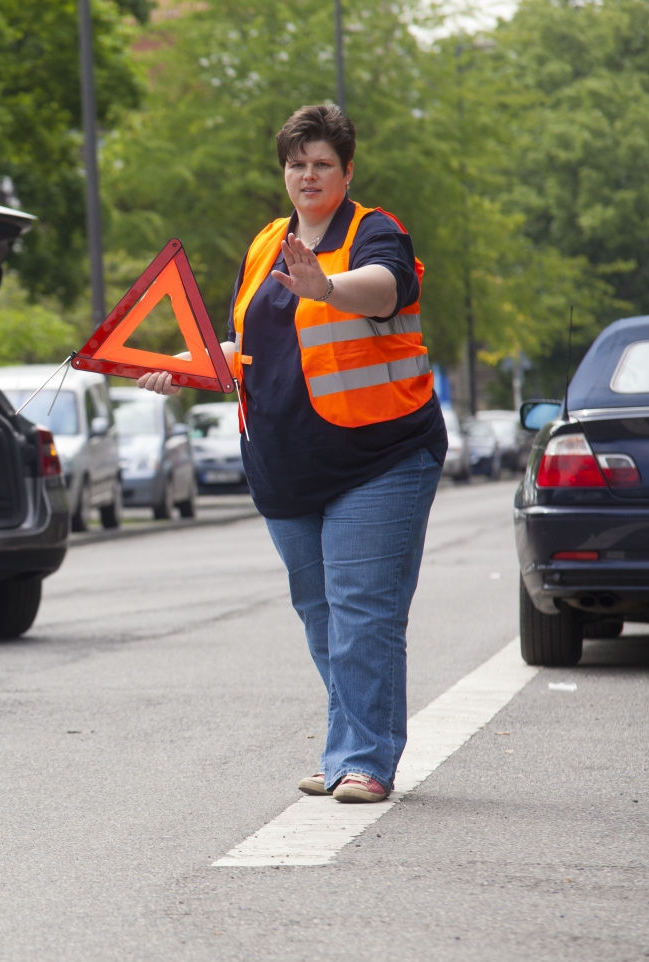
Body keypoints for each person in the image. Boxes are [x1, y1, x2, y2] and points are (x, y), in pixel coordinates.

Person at [138, 103, 446, 804]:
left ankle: (365, 760)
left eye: (322, 163)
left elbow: (390, 288)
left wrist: (326, 286)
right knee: (321, 612)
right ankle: (347, 746)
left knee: (363, 609)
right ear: (283, 170)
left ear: (347, 170)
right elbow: (245, 346)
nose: (308, 175)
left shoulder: (374, 232)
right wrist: (180, 366)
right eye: (296, 163)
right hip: (286, 465)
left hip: (380, 458)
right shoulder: (265, 243)